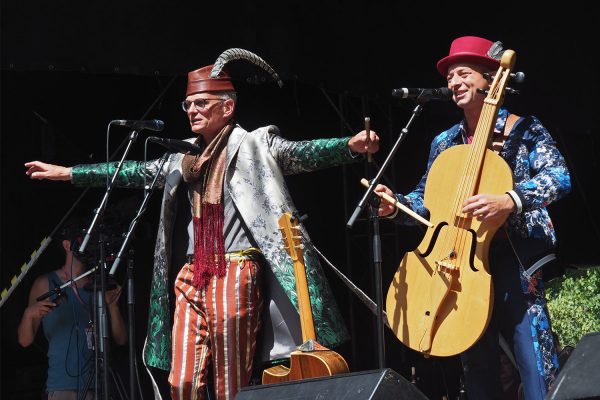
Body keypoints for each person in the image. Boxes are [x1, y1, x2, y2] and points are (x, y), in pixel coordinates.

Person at [24, 49, 379, 400]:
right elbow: (131, 172)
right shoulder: (184, 157)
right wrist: (69, 173)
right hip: (192, 275)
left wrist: (348, 145)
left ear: (228, 106)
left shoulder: (255, 144)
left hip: (235, 270)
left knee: (229, 381)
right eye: (188, 104)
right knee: (181, 382)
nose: (192, 110)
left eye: (201, 103)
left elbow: (301, 153)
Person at [374, 36, 570, 400]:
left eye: (463, 73)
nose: (453, 82)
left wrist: (509, 200)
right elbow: (426, 201)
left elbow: (559, 177)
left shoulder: (524, 131)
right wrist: (394, 204)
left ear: (489, 78)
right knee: (477, 366)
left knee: (534, 360)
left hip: (515, 257)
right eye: (450, 76)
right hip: (458, 260)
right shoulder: (445, 142)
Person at [17, 219, 128, 400]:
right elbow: (24, 341)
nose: (88, 245)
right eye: (83, 239)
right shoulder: (45, 283)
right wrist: (28, 314)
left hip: (99, 386)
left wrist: (113, 306)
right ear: (67, 245)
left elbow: (121, 339)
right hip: (61, 386)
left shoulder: (100, 283)